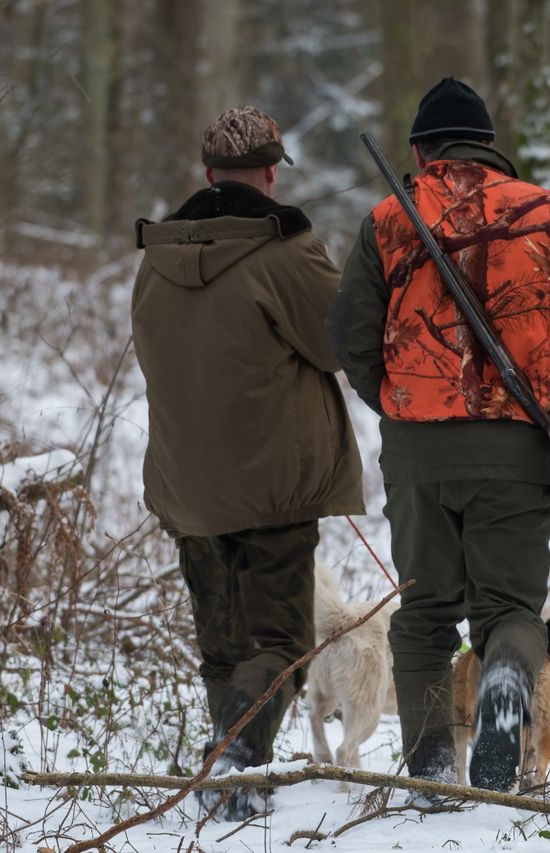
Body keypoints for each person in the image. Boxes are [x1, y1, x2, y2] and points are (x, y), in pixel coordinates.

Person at [328, 78, 550, 793]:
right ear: (492, 149)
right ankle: (505, 685)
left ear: (421, 151)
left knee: (424, 615)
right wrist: (549, 407)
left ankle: (431, 772)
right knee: (510, 612)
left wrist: (398, 404)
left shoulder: (389, 221)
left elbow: (348, 336)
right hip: (521, 452)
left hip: (419, 454)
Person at [132, 106, 363, 819]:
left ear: (207, 175)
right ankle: (236, 758)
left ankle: (230, 773)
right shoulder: (283, 249)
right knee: (279, 642)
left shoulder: (157, 257)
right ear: (271, 171)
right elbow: (339, 343)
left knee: (225, 646)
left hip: (186, 487)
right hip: (272, 487)